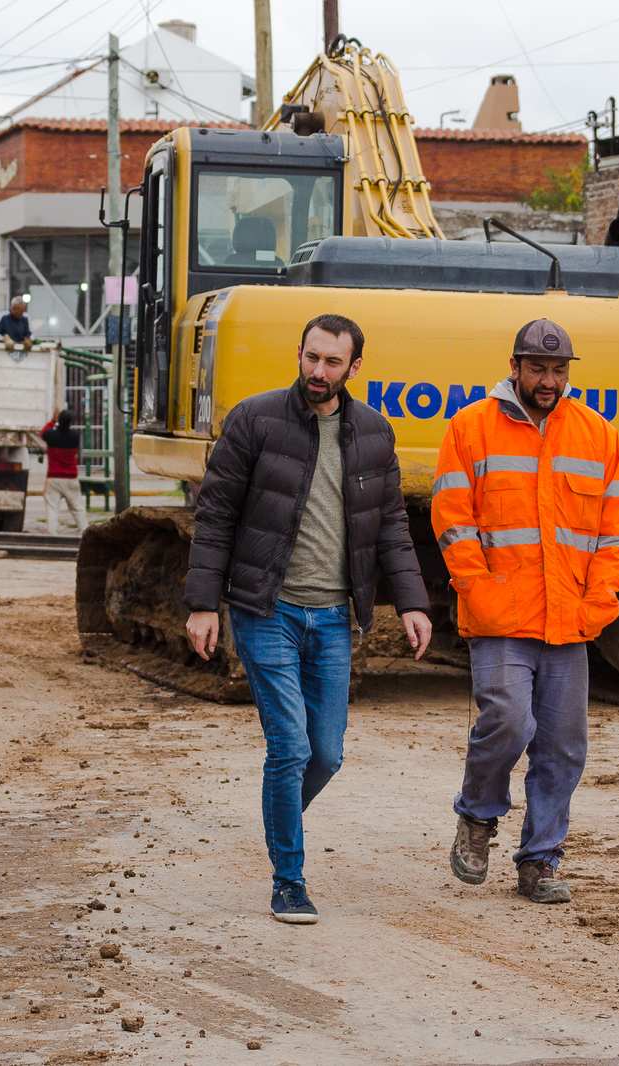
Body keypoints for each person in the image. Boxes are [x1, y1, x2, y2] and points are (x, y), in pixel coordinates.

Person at [184, 312, 433, 925]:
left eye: (332, 362)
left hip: (333, 618)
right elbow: (215, 515)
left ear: (354, 368)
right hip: (265, 608)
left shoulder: (374, 432)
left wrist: (412, 602)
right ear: (299, 353)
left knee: (326, 754)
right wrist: (201, 603)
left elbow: (393, 526)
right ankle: (288, 880)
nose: (318, 372)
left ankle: (279, 817)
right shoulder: (254, 420)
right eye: (311, 358)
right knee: (290, 747)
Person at [431, 318, 619, 905]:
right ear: (514, 367)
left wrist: (600, 600)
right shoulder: (471, 428)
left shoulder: (597, 434)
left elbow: (615, 533)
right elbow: (451, 519)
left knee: (564, 745)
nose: (549, 381)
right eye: (538, 369)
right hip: (500, 618)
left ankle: (540, 860)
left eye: (559, 370)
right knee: (509, 723)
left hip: (570, 618)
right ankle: (477, 815)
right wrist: (481, 591)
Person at [42, 408, 86, 535]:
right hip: (71, 477)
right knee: (77, 507)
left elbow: (43, 432)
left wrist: (52, 420)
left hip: (54, 477)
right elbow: (80, 454)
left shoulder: (51, 435)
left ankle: (52, 533)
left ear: (59, 420)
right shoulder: (75, 436)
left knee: (52, 507)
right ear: (71, 422)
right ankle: (84, 531)